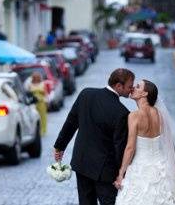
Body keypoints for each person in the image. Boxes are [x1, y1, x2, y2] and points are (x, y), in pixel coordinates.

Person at [54, 68, 135, 205]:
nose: (131, 90)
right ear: (119, 86)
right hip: (105, 172)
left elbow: (71, 122)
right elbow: (119, 146)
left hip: (82, 163)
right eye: (129, 87)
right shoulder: (122, 113)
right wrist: (122, 173)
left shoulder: (86, 94)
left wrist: (59, 146)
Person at [114, 80, 175, 205]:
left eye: (138, 86)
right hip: (162, 167)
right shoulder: (160, 114)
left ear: (144, 93)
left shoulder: (134, 116)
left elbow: (130, 148)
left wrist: (120, 173)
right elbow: (169, 142)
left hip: (140, 168)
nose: (133, 88)